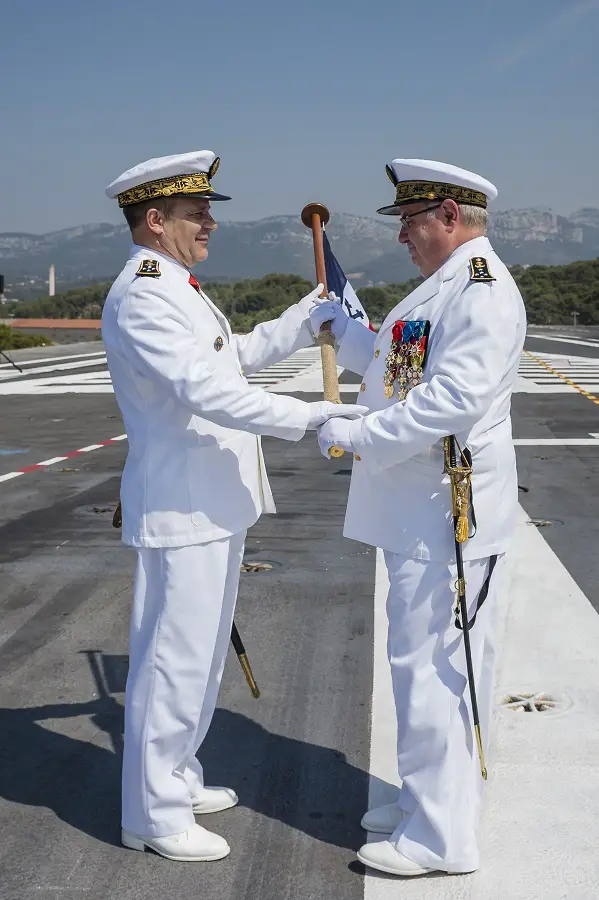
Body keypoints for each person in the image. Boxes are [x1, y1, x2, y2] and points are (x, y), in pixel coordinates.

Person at [101, 150, 366, 862]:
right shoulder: (145, 292)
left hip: (212, 503)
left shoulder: (176, 287)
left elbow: (231, 358)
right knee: (172, 661)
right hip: (182, 506)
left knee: (201, 656)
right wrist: (315, 415)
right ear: (155, 222)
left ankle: (177, 776)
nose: (210, 222)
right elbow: (205, 392)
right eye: (197, 213)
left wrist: (301, 317)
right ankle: (152, 817)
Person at [311, 159, 526, 877]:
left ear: (446, 215)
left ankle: (439, 838)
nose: (401, 235)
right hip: (415, 510)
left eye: (407, 220)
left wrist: (355, 435)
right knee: (420, 663)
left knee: (436, 668)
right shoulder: (445, 288)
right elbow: (402, 371)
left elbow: (448, 403)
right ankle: (428, 800)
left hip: (444, 518)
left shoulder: (481, 293)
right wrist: (345, 332)